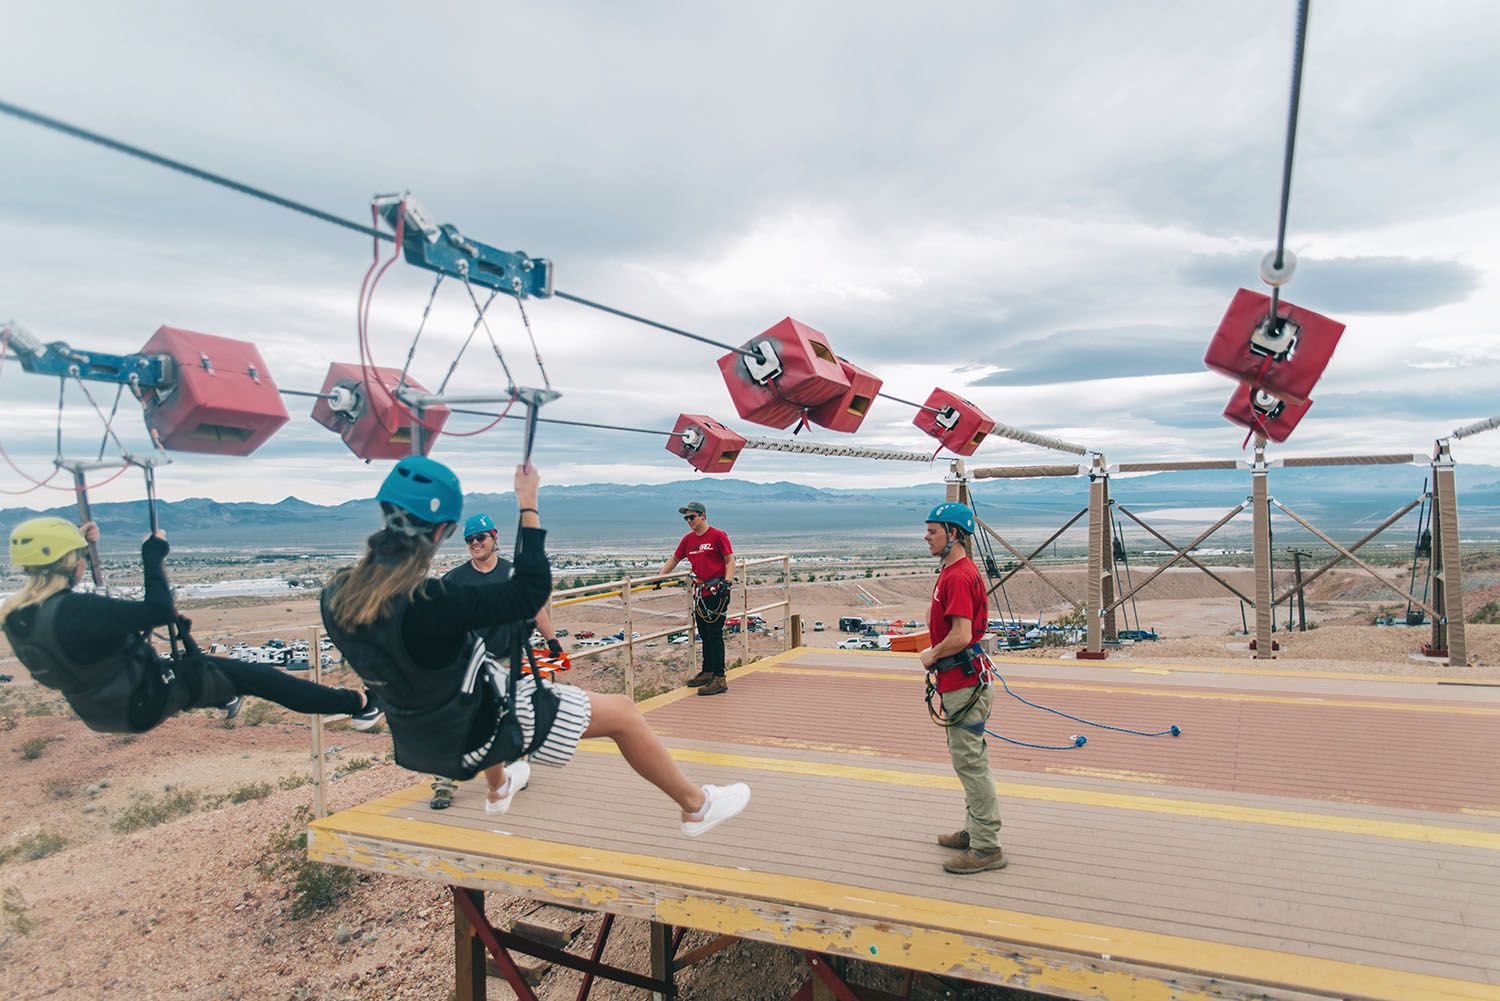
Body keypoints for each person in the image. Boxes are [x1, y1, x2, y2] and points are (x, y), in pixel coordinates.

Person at [319, 456, 749, 835]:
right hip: (478, 723)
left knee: (486, 685)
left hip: (418, 736)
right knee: (623, 713)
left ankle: (500, 785)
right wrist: (528, 501)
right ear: (443, 533)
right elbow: (531, 592)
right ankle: (697, 807)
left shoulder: (336, 596)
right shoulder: (437, 600)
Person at [2, 517, 383, 734]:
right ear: (71, 562)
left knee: (212, 675)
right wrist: (152, 555)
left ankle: (222, 694)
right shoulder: (78, 610)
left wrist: (81, 544)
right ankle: (361, 705)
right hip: (142, 699)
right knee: (259, 677)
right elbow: (158, 610)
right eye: (80, 557)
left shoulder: (18, 617)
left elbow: (77, 626)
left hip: (102, 707)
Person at [425, 511, 567, 810]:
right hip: (469, 663)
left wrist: (552, 641)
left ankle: (515, 771)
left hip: (508, 658)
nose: (475, 543)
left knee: (513, 717)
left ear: (494, 538)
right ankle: (443, 785)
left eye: (480, 537)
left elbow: (535, 609)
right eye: (469, 540)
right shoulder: (455, 579)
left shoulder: (512, 574)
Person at [918, 501, 1006, 875]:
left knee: (971, 763)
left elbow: (961, 635)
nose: (926, 537)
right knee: (969, 759)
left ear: (953, 534)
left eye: (933, 531)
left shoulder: (957, 575)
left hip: (963, 681)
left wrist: (931, 654)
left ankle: (987, 846)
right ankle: (975, 831)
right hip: (962, 679)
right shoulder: (954, 571)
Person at [658, 501, 735, 696]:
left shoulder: (718, 535)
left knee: (715, 634)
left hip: (717, 592)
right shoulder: (688, 540)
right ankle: (707, 671)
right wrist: (659, 578)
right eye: (686, 518)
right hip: (700, 592)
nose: (689, 521)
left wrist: (727, 582)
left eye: (692, 517)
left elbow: (729, 559)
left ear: (703, 516)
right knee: (704, 633)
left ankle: (719, 677)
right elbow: (675, 559)